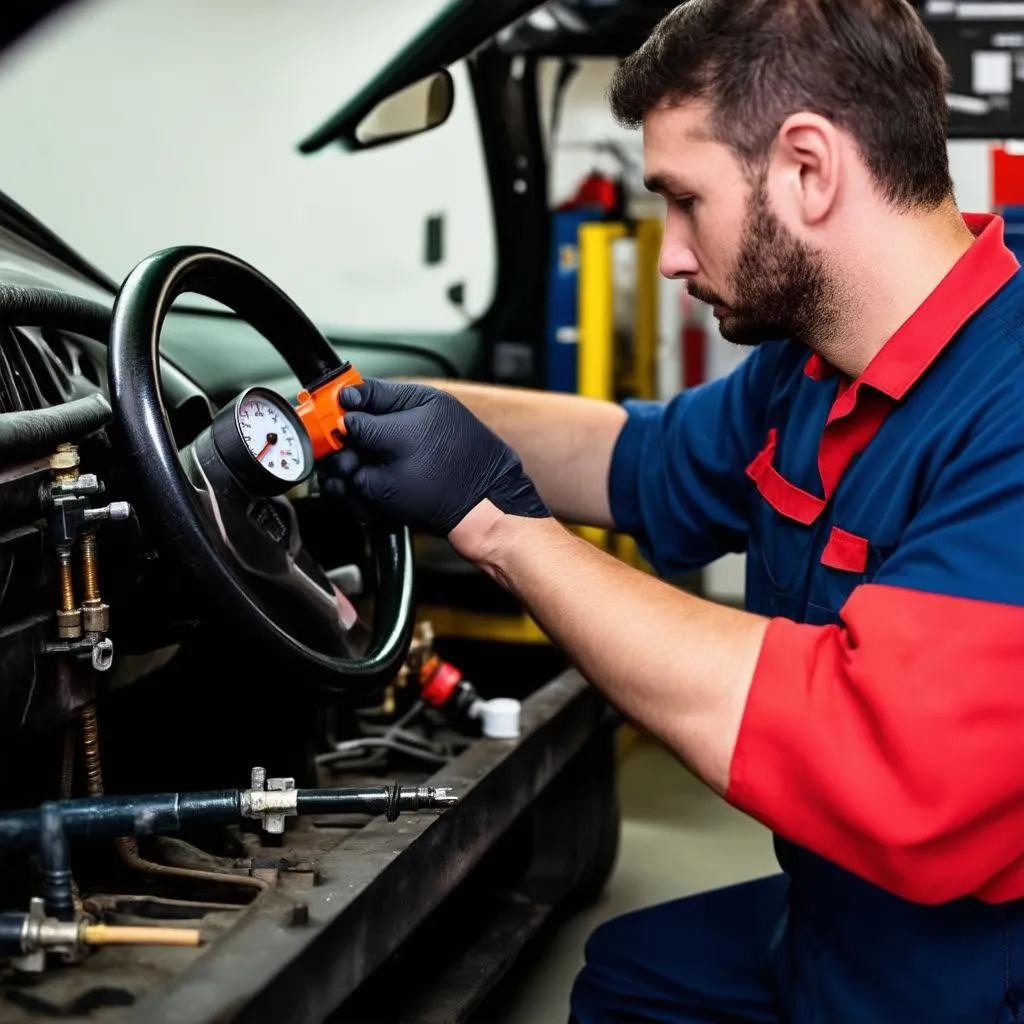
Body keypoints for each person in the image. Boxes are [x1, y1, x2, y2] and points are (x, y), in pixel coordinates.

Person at [323, 0, 1024, 1020]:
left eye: (685, 200)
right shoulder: (811, 365)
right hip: (840, 909)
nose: (670, 255)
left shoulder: (1005, 399)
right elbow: (639, 458)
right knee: (626, 977)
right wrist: (393, 413)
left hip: (969, 964)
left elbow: (877, 754)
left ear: (807, 168)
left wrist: (499, 528)